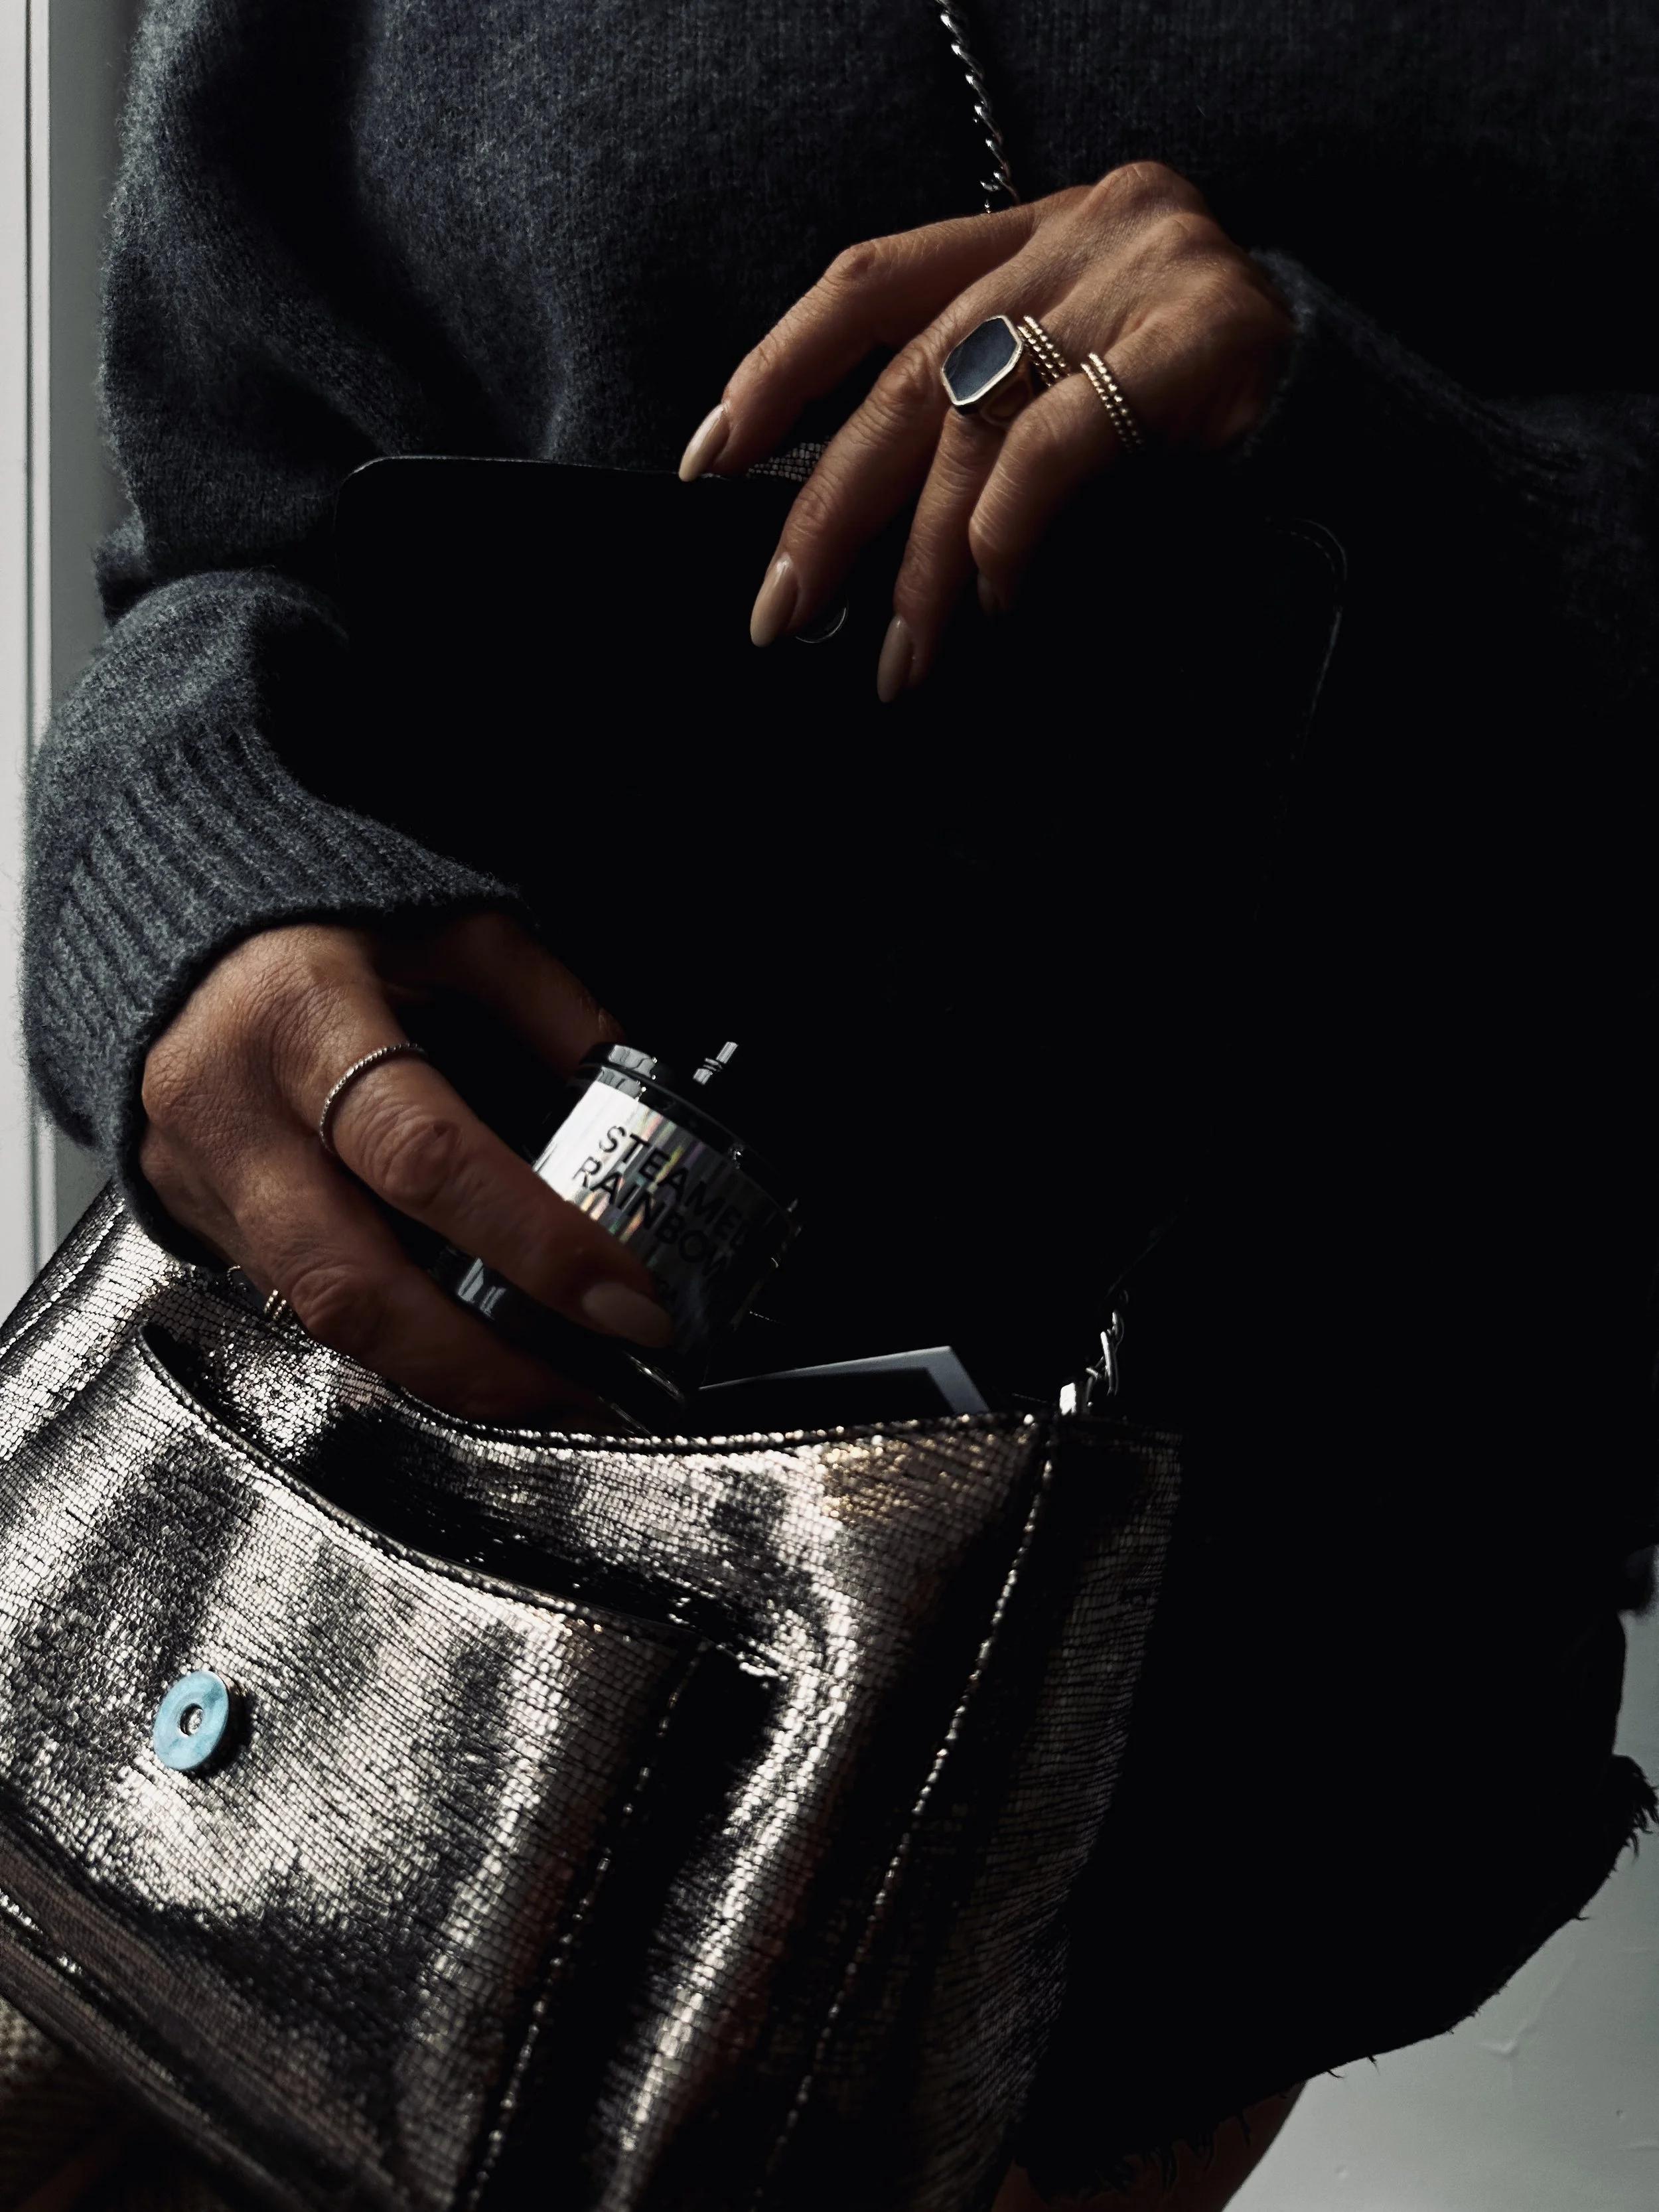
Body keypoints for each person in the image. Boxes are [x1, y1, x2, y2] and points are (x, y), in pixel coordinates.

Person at [22, 3, 1659, 2204]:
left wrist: (1359, 442)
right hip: (262, 1547)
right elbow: (231, 543)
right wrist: (194, 880)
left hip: (1052, 1754)